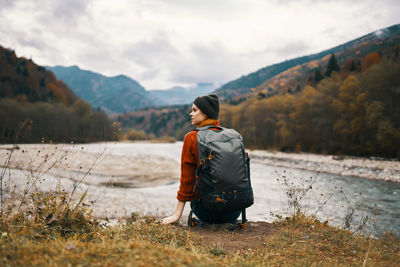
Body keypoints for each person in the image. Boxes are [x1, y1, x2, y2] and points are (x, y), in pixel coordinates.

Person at [162, 94, 241, 225]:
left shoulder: (192, 137)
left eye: (194, 110)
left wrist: (177, 215)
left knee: (198, 179)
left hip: (207, 212)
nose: (190, 114)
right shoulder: (234, 136)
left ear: (205, 112)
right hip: (235, 211)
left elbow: (187, 180)